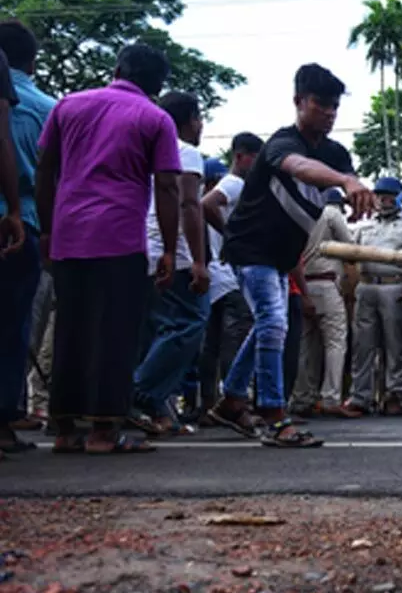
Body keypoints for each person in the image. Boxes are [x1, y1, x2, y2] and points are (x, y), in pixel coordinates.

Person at [209, 63, 372, 447]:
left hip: (282, 255)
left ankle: (232, 400)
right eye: (320, 105)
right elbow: (301, 167)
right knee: (273, 322)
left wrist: (352, 189)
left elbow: (334, 177)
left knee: (269, 325)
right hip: (252, 249)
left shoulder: (336, 152)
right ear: (299, 102)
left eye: (335, 107)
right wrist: (345, 181)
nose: (329, 113)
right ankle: (274, 415)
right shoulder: (280, 145)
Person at [35, 43, 181, 454]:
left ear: (116, 68)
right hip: (119, 237)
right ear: (157, 85)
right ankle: (103, 432)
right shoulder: (156, 117)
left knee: (71, 330)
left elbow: (46, 170)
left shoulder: (68, 105)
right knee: (115, 334)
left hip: (69, 233)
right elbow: (167, 186)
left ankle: (63, 429)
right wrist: (169, 249)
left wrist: (47, 231)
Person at [129, 91, 211, 434]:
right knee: (189, 324)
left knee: (154, 332)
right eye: (199, 118)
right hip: (173, 252)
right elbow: (190, 204)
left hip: (141, 248)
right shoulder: (185, 151)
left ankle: (158, 411)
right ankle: (138, 393)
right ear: (191, 119)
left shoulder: (143, 149)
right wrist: (198, 260)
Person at [0, 20, 54, 454]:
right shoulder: (49, 109)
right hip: (24, 222)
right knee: (13, 325)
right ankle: (3, 419)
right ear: (31, 62)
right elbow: (55, 180)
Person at [344, 177, 402, 416]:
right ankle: (361, 397)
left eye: (389, 195)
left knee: (397, 345)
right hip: (366, 286)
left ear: (399, 196)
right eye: (380, 195)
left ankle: (397, 396)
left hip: (395, 287)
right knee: (362, 345)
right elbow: (349, 255)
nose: (383, 199)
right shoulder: (365, 223)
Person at [198, 133, 261, 419]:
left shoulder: (233, 184)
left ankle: (208, 403)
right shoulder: (235, 183)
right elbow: (207, 205)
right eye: (255, 159)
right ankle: (233, 402)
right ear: (240, 157)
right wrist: (232, 237)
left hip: (216, 277)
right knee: (236, 338)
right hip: (228, 278)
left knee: (212, 342)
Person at [291, 189, 357, 418]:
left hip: (303, 284)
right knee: (335, 343)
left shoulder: (300, 213)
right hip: (327, 283)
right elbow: (350, 248)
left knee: (305, 345)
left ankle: (302, 397)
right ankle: (330, 397)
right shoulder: (331, 213)